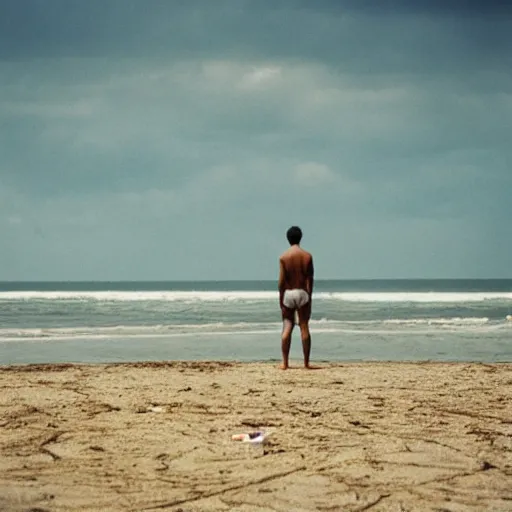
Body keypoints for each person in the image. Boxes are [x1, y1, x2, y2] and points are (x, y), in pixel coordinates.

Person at [278, 226, 314, 370]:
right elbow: (310, 279)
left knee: (287, 326)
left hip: (289, 293)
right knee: (304, 327)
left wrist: (281, 298)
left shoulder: (284, 257)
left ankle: (285, 363)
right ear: (300, 237)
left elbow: (281, 282)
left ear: (288, 239)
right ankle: (306, 363)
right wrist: (309, 297)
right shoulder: (307, 256)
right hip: (302, 293)